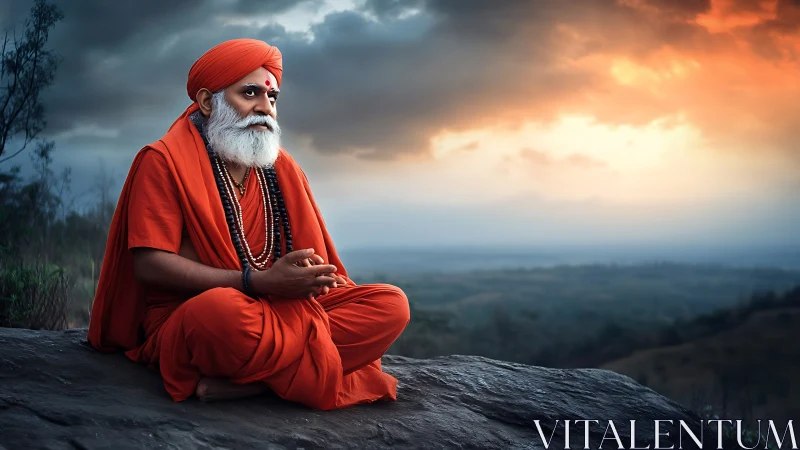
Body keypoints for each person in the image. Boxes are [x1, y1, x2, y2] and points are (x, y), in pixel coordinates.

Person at [87, 38, 411, 410]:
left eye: (272, 98)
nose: (265, 108)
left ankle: (252, 385)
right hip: (201, 317)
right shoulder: (162, 161)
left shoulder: (281, 168)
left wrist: (307, 278)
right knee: (219, 313)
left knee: (391, 304)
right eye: (251, 93)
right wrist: (256, 281)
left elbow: (317, 267)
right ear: (208, 102)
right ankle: (300, 372)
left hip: (281, 308)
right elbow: (149, 264)